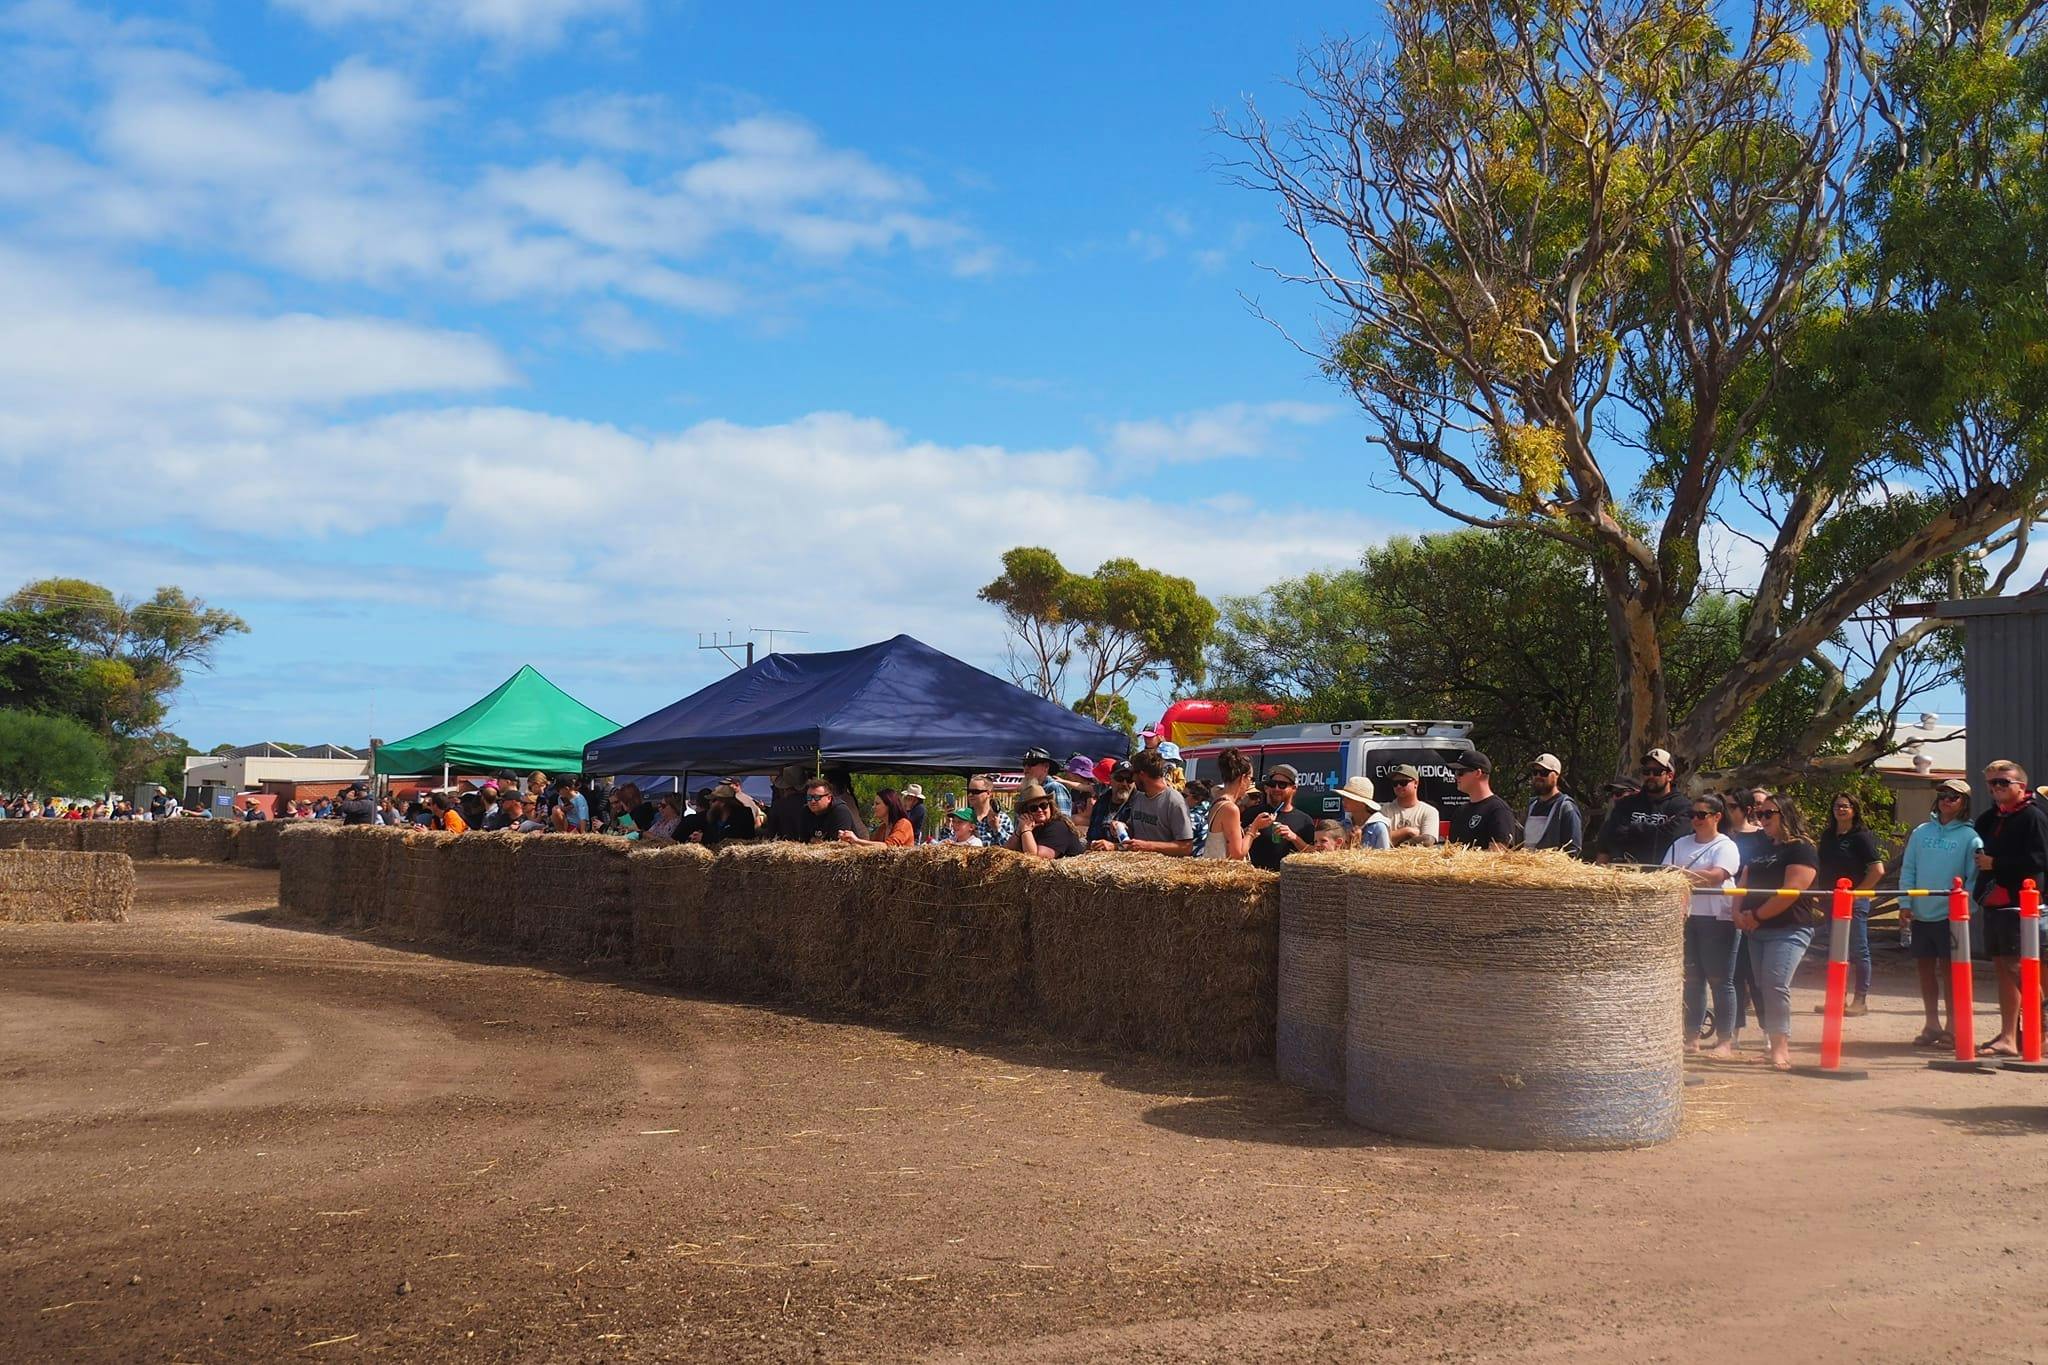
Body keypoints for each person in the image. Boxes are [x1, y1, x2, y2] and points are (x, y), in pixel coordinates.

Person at [1731, 791, 1819, 1071]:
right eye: (1759, 814)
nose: (1762, 819)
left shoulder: (1801, 848)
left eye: (1769, 814)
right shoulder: (1760, 846)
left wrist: (1756, 914)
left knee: (1775, 984)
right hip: (1756, 928)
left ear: (1785, 814)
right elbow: (1743, 880)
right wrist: (1737, 912)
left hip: (1789, 927)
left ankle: (1781, 1048)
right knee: (1762, 986)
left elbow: (1793, 889)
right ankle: (1771, 1046)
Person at [1972, 759, 2048, 1058]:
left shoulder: (2034, 817)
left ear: (2021, 785)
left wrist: (1997, 864)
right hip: (1993, 901)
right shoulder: (1989, 818)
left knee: (2021, 968)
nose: (1996, 788)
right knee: (2003, 970)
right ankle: (2008, 1037)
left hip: (2022, 903)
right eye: (1992, 783)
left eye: (2003, 782)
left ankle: (2040, 1030)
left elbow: (2041, 860)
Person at [1898, 778, 1979, 1049]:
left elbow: (1973, 878)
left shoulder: (1971, 837)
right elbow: (1908, 869)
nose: (1947, 799)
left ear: (1964, 802)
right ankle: (1931, 1023)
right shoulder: (1921, 832)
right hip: (1921, 913)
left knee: (1951, 973)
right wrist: (1904, 903)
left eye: (1954, 796)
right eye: (1943, 794)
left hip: (1951, 916)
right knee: (1925, 971)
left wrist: (1963, 911)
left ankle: (1952, 1026)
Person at [1665, 793, 1743, 1057]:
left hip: (1717, 918)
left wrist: (1682, 874)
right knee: (1694, 980)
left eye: (1702, 814)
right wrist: (1688, 876)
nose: (1695, 820)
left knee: (1721, 980)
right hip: (1686, 916)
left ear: (1717, 817)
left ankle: (1724, 1041)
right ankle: (1692, 1037)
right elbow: (1665, 876)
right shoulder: (1679, 843)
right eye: (1692, 815)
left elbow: (1716, 877)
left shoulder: (1726, 845)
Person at [1815, 793, 1886, 1018]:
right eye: (1837, 805)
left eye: (1845, 806)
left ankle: (1860, 1000)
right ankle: (1837, 999)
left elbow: (1877, 870)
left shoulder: (1860, 837)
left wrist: (1857, 895)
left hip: (1853, 903)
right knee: (1836, 951)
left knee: (1858, 950)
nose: (1841, 809)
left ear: (1854, 810)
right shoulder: (1827, 836)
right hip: (1830, 900)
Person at [1596, 749, 1692, 866]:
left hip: (1663, 875)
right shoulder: (1626, 804)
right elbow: (1613, 834)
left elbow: (1674, 836)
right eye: (1646, 771)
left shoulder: (1682, 806)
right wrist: (1660, 829)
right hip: (1625, 873)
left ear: (1670, 776)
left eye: (1657, 772)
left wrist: (1632, 829)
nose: (1650, 776)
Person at [1095, 749, 1193, 855]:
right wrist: (1121, 827)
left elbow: (1186, 847)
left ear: (1141, 774)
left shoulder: (1174, 802)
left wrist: (1147, 846)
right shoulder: (1139, 796)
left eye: (1132, 775)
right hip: (1138, 864)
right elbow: (1134, 831)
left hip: (1163, 868)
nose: (1132, 779)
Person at [1247, 764, 1316, 869]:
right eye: (1273, 784)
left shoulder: (1305, 821)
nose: (1276, 788)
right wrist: (1251, 829)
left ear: (1294, 788)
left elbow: (1313, 854)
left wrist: (1294, 838)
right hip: (1255, 878)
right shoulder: (1253, 814)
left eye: (1282, 785)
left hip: (1288, 881)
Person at [1448, 753, 1516, 848]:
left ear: (1477, 773)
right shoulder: (1460, 812)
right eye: (1455, 772)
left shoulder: (1498, 810)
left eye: (1460, 772)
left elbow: (1498, 855)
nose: (1456, 777)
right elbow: (1451, 850)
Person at [1201, 747, 1255, 861]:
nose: (1251, 783)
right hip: (1223, 872)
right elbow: (1237, 853)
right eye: (1250, 778)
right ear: (1243, 778)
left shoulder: (1218, 801)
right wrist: (1253, 830)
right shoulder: (1230, 808)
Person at [1523, 754, 1583, 854]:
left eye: (1544, 773)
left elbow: (1573, 849)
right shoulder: (1531, 806)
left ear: (1557, 775)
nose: (1538, 776)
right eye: (1535, 772)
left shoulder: (1565, 807)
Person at [1008, 781, 1083, 859]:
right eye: (1033, 808)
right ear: (1026, 812)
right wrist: (1019, 830)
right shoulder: (1032, 826)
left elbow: (1034, 860)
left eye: (1043, 805)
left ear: (1050, 806)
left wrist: (1026, 830)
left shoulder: (1058, 826)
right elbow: (1006, 851)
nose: (1039, 810)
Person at [1383, 765, 1439, 846]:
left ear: (1416, 783)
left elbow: (1428, 841)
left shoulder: (1429, 811)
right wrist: (1407, 831)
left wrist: (1397, 841)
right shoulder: (1385, 810)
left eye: (1403, 783)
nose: (1398, 786)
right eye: (1395, 783)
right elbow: (1381, 838)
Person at [841, 789, 916, 847]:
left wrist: (856, 840)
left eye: (877, 804)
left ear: (889, 806)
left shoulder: (903, 824)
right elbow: (871, 847)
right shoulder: (882, 828)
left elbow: (889, 847)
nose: (873, 807)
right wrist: (850, 841)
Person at [1086, 760, 1135, 846]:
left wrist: (1113, 846)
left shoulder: (1140, 804)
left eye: (1129, 779)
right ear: (1110, 779)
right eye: (1119, 778)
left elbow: (1142, 843)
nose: (1124, 783)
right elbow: (1091, 836)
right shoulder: (1101, 802)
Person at [1335, 775, 1389, 849]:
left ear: (1363, 803)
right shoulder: (1344, 825)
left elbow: (1384, 857)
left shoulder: (1379, 827)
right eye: (1344, 797)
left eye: (1349, 798)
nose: (1344, 801)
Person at [962, 778, 1012, 849]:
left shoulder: (1002, 818)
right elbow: (945, 843)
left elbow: (1011, 848)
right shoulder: (964, 816)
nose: (970, 795)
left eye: (975, 792)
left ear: (988, 793)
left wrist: (997, 829)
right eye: (969, 791)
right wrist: (948, 825)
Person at [1021, 748, 1071, 817]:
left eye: (1031, 764)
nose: (1026, 768)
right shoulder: (1026, 791)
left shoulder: (1055, 788)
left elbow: (1064, 822)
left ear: (1046, 767)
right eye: (1024, 764)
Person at [799, 778, 850, 842]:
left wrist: (814, 841)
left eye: (817, 797)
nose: (812, 801)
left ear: (829, 798)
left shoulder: (840, 811)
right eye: (809, 797)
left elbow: (837, 843)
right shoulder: (806, 810)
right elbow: (803, 840)